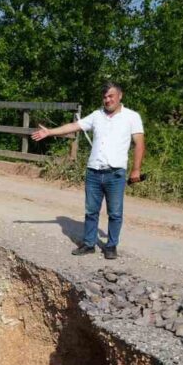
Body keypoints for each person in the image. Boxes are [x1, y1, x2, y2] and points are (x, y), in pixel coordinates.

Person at [32, 82, 145, 259]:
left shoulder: (132, 117)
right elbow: (74, 126)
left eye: (111, 96)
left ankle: (111, 246)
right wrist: (50, 132)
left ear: (120, 96)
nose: (107, 100)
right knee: (91, 211)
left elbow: (139, 143)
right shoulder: (96, 115)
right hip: (93, 172)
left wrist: (136, 170)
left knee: (115, 213)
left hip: (115, 173)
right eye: (105, 97)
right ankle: (89, 244)